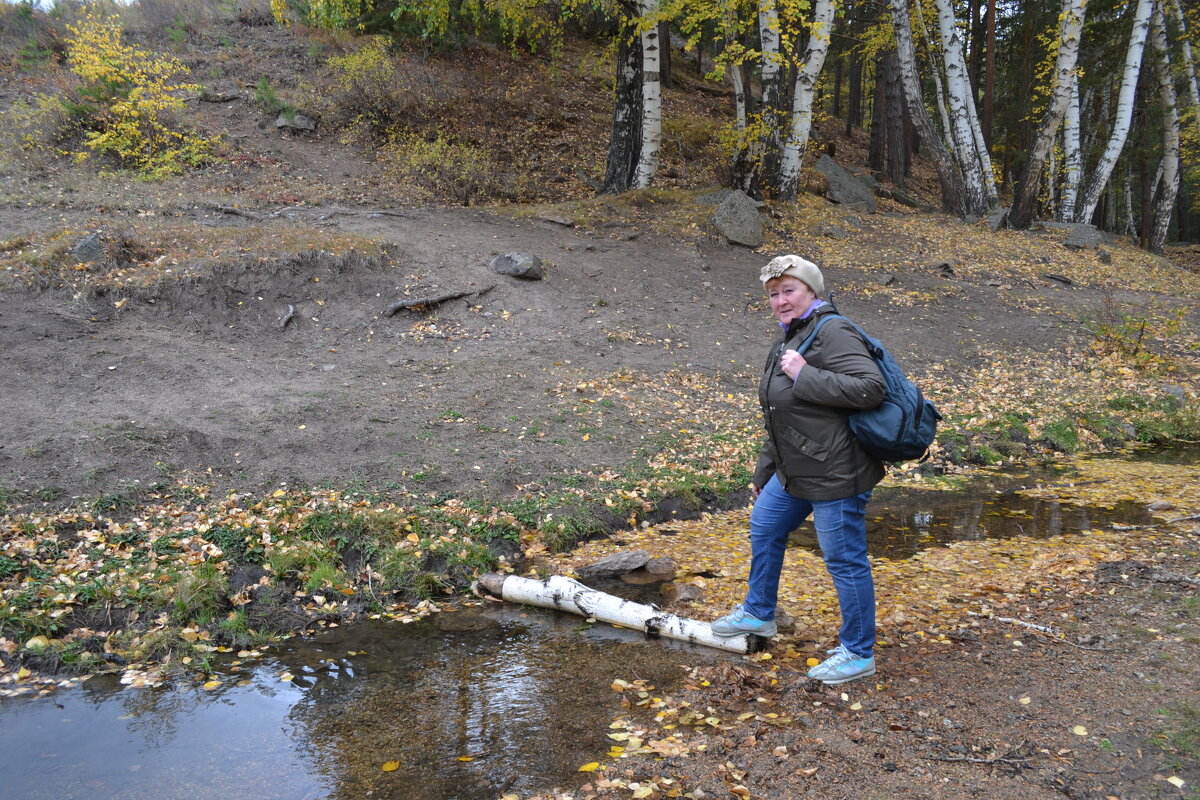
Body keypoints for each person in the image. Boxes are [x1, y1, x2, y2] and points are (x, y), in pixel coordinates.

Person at [710, 254, 886, 686]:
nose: (780, 300)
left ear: (812, 291)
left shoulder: (833, 331)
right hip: (794, 471)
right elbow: (780, 414)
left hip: (835, 474)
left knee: (844, 561)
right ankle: (758, 614)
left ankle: (858, 653)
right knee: (765, 527)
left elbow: (870, 388)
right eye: (773, 294)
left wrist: (805, 375)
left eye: (789, 290)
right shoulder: (792, 336)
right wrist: (763, 473)